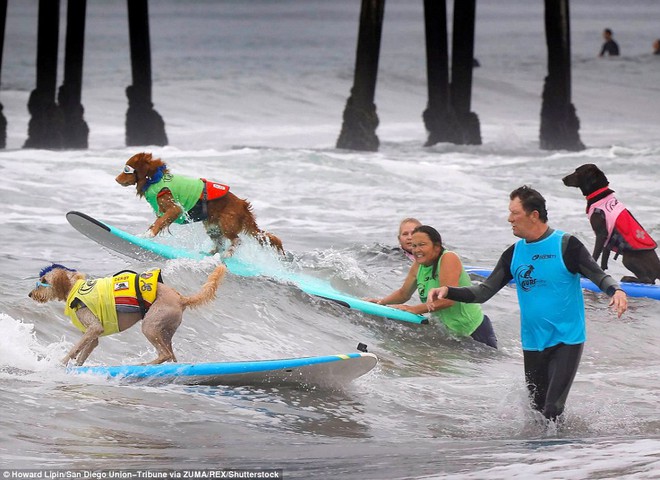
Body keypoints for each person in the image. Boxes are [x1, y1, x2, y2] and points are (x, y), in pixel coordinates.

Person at [427, 186, 628, 422]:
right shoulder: (513, 254)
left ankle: (562, 455)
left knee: (552, 409)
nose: (509, 218)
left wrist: (616, 290)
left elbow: (597, 274)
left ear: (534, 215)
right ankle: (541, 456)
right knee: (537, 411)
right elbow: (483, 292)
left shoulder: (566, 245)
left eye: (514, 213)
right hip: (533, 342)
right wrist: (448, 291)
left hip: (567, 339)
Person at [367, 225, 498, 348]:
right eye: (414, 246)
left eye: (422, 245)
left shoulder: (448, 258)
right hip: (451, 334)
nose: (417, 250)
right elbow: (403, 294)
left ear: (436, 246)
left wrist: (414, 309)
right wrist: (380, 302)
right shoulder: (418, 265)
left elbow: (448, 300)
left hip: (475, 332)